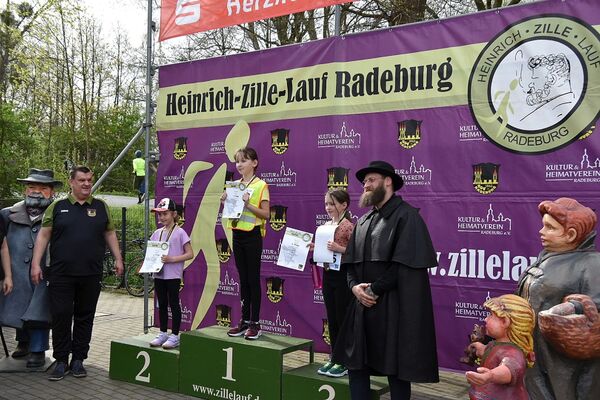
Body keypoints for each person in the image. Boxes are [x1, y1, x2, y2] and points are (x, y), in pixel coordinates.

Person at [332, 160, 439, 400]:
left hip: (394, 310)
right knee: (356, 367)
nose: (366, 185)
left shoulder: (407, 216)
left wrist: (373, 290)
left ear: (388, 181)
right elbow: (349, 264)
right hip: (363, 309)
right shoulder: (364, 221)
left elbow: (404, 265)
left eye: (371, 180)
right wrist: (354, 288)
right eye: (364, 182)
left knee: (397, 371)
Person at [31, 166, 124, 381]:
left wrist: (118, 258)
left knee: (85, 317)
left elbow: (109, 233)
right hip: (61, 275)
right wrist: (36, 264)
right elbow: (43, 236)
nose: (86, 184)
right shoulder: (57, 207)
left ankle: (79, 360)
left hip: (91, 274)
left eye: (89, 180)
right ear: (71, 182)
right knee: (61, 317)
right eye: (81, 180)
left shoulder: (101, 207)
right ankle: (61, 360)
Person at [516, 198, 600, 400]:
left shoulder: (592, 264)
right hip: (535, 352)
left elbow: (596, 305)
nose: (541, 232)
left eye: (550, 228)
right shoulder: (546, 257)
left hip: (564, 360)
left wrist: (572, 309)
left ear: (571, 234)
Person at [0, 168, 62, 368]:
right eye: (31, 187)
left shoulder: (59, 214)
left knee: (39, 311)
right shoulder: (7, 215)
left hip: (44, 273)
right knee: (18, 306)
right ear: (25, 190)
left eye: (43, 188)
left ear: (52, 192)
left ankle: (38, 349)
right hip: (15, 272)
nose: (36, 191)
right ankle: (23, 342)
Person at [220, 147, 270, 340]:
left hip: (253, 235)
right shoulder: (233, 186)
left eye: (244, 161)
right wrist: (225, 201)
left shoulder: (261, 185)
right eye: (237, 161)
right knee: (243, 279)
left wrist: (248, 204)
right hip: (237, 234)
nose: (239, 165)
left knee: (253, 279)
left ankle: (255, 323)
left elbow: (266, 214)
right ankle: (244, 320)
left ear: (254, 163)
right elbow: (233, 212)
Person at [465, 294, 535, 400]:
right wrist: (480, 349)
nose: (485, 319)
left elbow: (509, 370)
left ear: (505, 322)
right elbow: (491, 355)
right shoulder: (495, 344)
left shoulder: (513, 352)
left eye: (491, 315)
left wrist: (491, 375)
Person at [315, 189, 354, 378]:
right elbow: (326, 252)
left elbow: (357, 254)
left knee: (342, 317)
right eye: (326, 204)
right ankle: (335, 356)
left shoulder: (348, 226)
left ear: (344, 205)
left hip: (343, 276)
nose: (328, 207)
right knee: (332, 317)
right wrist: (316, 248)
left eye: (332, 204)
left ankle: (345, 360)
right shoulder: (326, 225)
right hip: (328, 275)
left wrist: (339, 248)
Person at [148, 198, 193, 349]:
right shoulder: (156, 233)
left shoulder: (180, 232)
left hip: (173, 275)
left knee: (174, 304)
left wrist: (172, 259)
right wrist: (147, 264)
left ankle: (174, 335)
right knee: (161, 304)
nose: (161, 217)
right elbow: (151, 254)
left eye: (165, 214)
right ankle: (162, 333)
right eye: (159, 214)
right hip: (159, 274)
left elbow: (190, 254)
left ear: (174, 214)